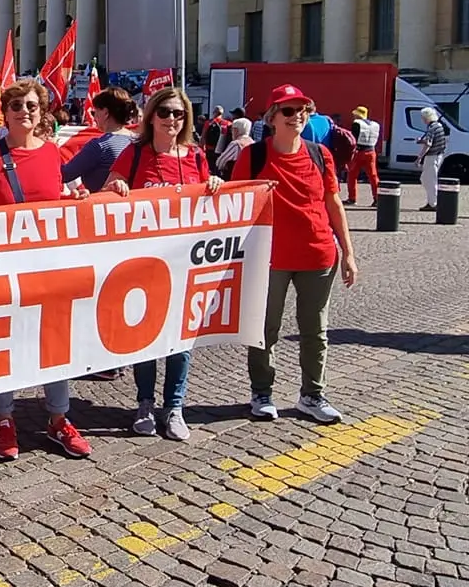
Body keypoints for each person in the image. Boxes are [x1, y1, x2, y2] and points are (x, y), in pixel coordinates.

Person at [0, 79, 92, 462]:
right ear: (5, 113)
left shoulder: (52, 154)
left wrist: (76, 199)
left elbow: (56, 198)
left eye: (31, 105)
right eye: (16, 105)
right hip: (4, 269)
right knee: (7, 340)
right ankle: (3, 418)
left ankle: (59, 418)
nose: (24, 111)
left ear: (42, 111)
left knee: (54, 338)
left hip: (48, 267)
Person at [232, 84, 358, 424]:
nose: (297, 116)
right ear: (273, 117)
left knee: (315, 330)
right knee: (265, 328)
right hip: (269, 259)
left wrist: (347, 252)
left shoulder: (321, 154)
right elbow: (235, 204)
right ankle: (262, 392)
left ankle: (312, 395)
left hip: (318, 254)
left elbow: (333, 203)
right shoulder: (253, 156)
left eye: (303, 110)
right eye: (288, 110)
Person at [103, 87, 222, 442]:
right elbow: (110, 185)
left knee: (181, 339)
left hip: (184, 262)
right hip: (145, 263)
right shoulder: (136, 153)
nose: (172, 119)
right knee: (147, 336)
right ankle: (144, 403)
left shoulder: (196, 156)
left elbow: (211, 200)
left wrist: (215, 183)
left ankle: (175, 406)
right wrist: (118, 186)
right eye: (166, 112)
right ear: (152, 116)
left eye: (179, 114)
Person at [61, 88, 138, 193]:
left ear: (105, 113)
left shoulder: (100, 145)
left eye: (94, 112)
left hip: (104, 205)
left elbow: (64, 174)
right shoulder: (140, 141)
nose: (94, 118)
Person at [346, 105, 381, 206]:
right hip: (371, 151)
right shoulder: (375, 124)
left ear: (357, 115)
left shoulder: (357, 124)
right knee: (373, 176)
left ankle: (352, 198)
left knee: (352, 175)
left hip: (358, 152)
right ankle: (377, 198)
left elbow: (353, 139)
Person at [417, 107, 446, 212]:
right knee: (426, 179)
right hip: (439, 155)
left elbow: (429, 144)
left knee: (429, 180)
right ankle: (432, 201)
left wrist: (419, 158)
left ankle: (433, 203)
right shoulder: (439, 126)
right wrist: (422, 141)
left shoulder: (432, 128)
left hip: (432, 156)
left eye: (423, 117)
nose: (422, 120)